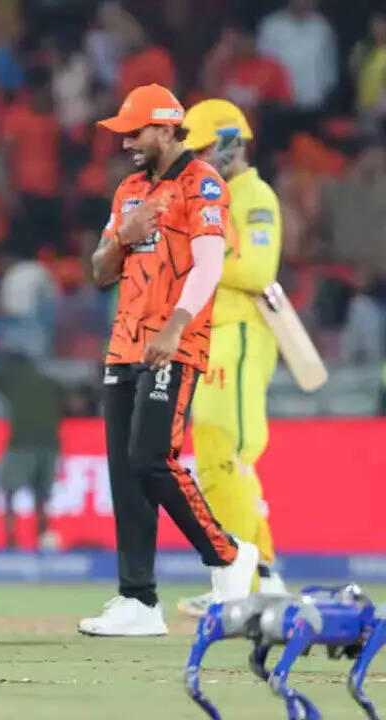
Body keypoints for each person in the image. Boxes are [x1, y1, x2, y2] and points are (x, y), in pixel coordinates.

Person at [80, 84, 259, 638]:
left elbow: (209, 265)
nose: (127, 143)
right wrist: (123, 237)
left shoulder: (202, 183)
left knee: (151, 458)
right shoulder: (129, 190)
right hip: (123, 345)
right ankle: (138, 600)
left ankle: (228, 554)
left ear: (165, 128)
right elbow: (99, 271)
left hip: (173, 342)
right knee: (125, 472)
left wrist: (176, 324)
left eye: (134, 132)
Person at [176, 98, 287, 617]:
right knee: (218, 462)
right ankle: (256, 577)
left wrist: (206, 252)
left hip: (238, 336)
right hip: (212, 336)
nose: (196, 162)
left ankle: (248, 580)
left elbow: (259, 270)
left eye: (201, 150)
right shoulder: (218, 196)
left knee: (230, 457)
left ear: (227, 144)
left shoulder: (253, 196)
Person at [0, 350, 63, 551]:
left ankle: (11, 540)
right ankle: (43, 537)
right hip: (50, 443)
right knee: (42, 495)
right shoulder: (47, 381)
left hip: (22, 443)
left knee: (9, 491)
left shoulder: (10, 377)